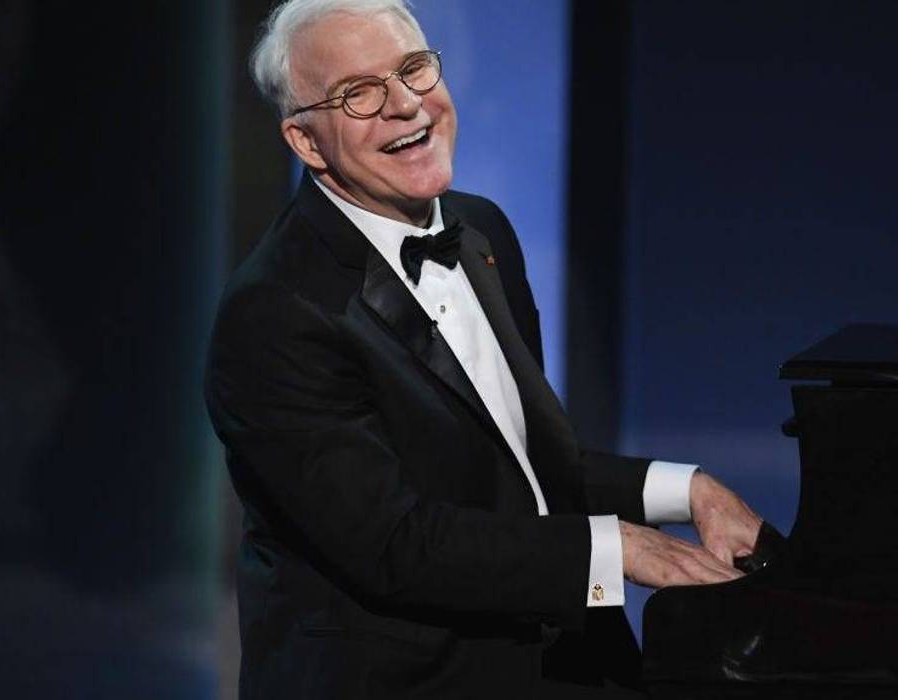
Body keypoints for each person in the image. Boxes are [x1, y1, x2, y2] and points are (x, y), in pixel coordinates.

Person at [204, 1, 768, 697]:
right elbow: (393, 545)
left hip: (549, 651)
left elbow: (517, 466)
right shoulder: (277, 310)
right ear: (306, 142)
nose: (406, 105)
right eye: (359, 93)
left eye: (412, 69)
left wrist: (687, 490)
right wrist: (616, 546)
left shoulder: (480, 229)